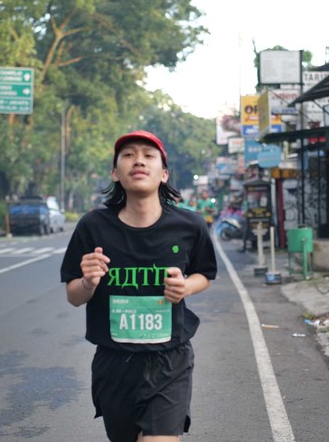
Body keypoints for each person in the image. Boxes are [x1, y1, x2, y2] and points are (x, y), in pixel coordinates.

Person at [60, 130, 217, 442]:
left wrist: (185, 287)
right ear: (115, 173)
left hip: (169, 360)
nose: (139, 161)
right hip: (114, 363)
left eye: (148, 156)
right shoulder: (93, 226)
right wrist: (89, 282)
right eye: (129, 155)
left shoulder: (189, 225)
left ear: (164, 174)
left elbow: (204, 274)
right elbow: (74, 296)